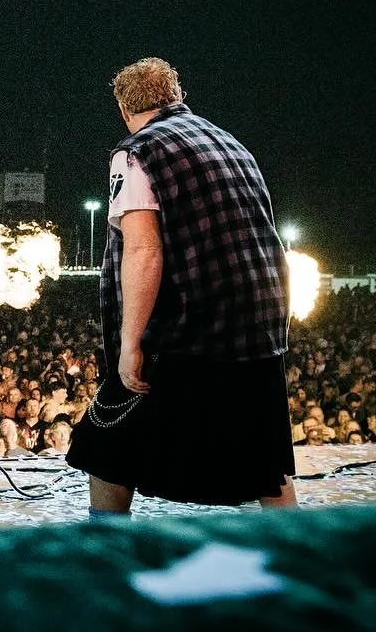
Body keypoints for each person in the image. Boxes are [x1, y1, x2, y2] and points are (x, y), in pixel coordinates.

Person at [65, 57, 298, 514]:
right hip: (258, 328)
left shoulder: (135, 152)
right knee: (265, 459)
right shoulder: (230, 143)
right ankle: (299, 556)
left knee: (105, 445)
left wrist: (129, 342)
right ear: (176, 96)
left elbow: (144, 251)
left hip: (188, 326)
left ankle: (100, 554)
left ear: (123, 107)